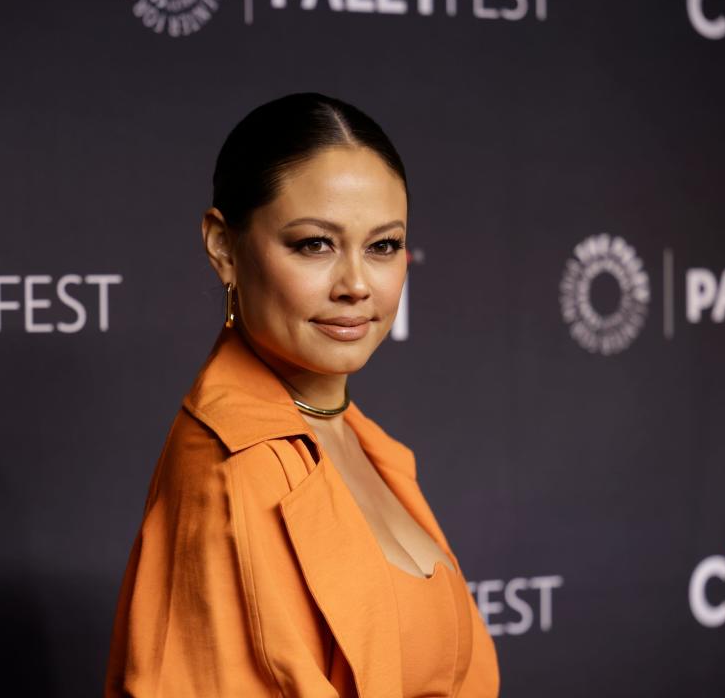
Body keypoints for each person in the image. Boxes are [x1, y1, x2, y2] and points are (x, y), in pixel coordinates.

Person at [104, 92, 500, 697]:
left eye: (384, 245)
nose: (356, 285)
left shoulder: (357, 438)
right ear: (223, 247)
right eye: (315, 244)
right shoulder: (233, 473)